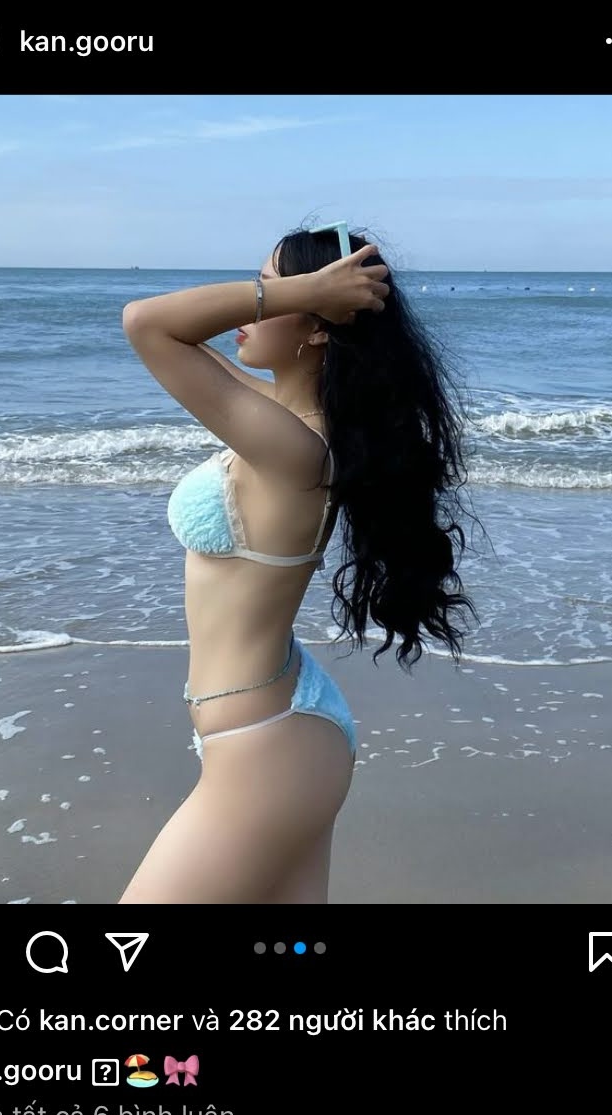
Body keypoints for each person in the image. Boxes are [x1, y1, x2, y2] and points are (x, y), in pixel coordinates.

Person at [118, 224, 481, 904]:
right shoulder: (277, 417)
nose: (253, 302)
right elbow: (177, 337)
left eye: (270, 287)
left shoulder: (298, 450)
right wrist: (305, 295)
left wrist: (308, 292)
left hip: (267, 748)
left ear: (318, 324)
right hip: (280, 726)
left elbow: (146, 323)